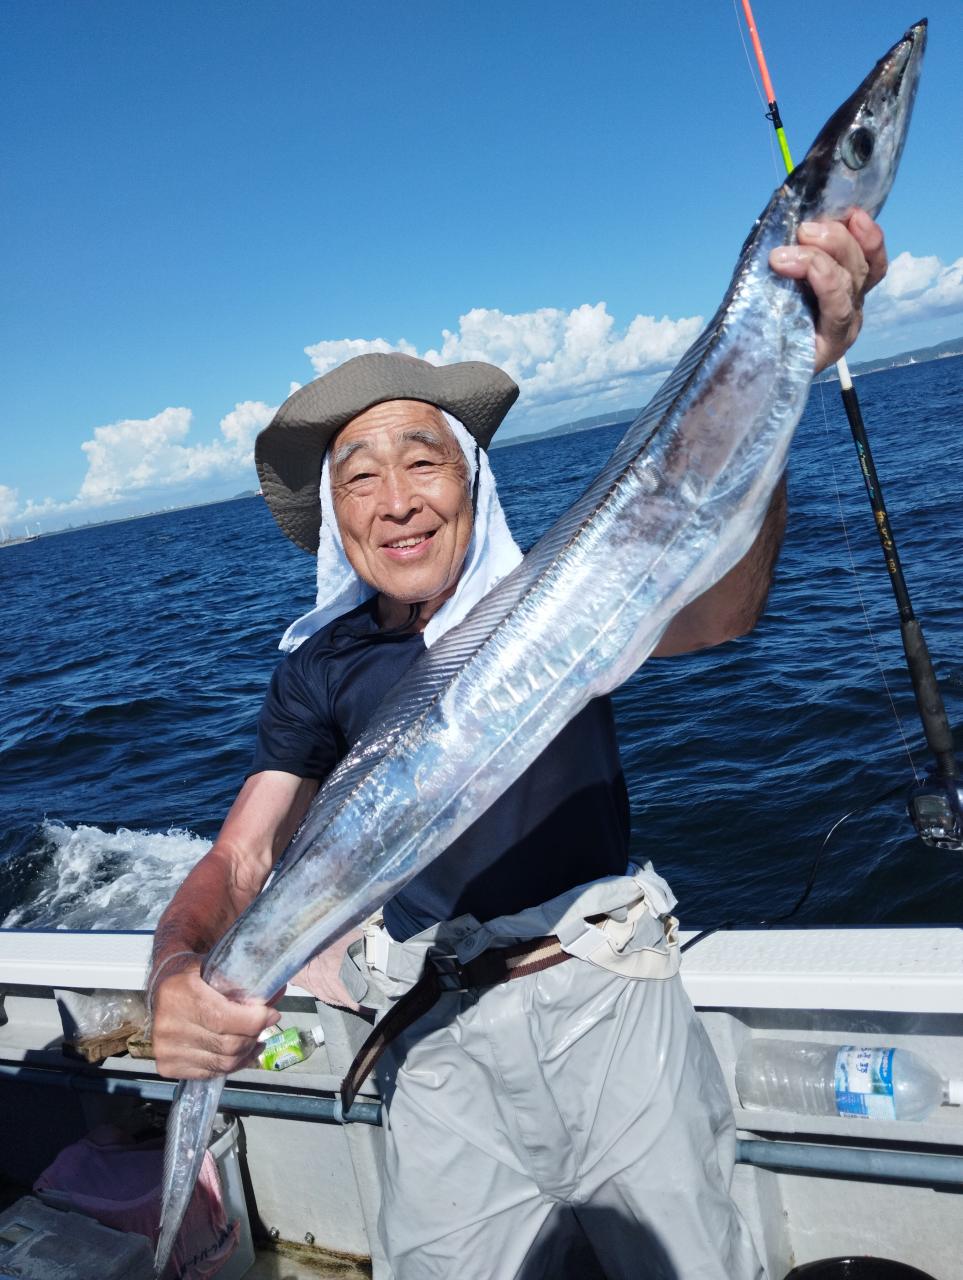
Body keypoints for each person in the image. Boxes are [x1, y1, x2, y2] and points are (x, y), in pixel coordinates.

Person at [149, 210, 888, 1279]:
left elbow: (724, 612)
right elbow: (242, 856)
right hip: (432, 1038)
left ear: (472, 482)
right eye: (359, 477)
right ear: (334, 516)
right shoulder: (317, 669)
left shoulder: (563, 601)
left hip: (606, 1002)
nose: (397, 502)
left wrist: (778, 386)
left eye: (423, 462)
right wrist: (178, 970)